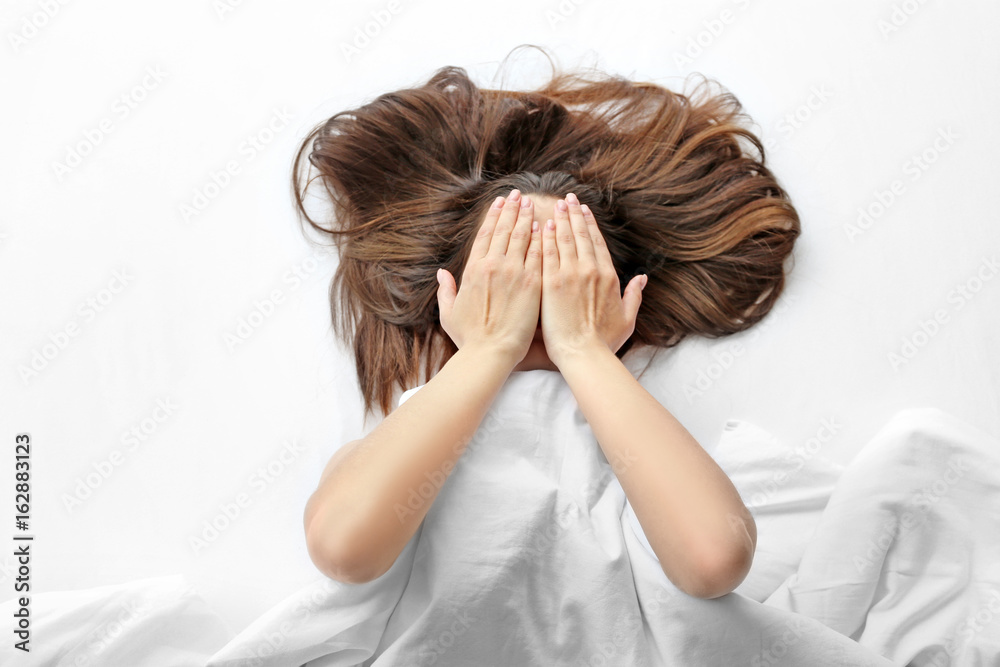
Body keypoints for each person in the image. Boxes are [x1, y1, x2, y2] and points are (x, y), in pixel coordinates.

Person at [296, 49, 800, 611]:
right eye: (506, 271)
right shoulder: (401, 432)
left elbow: (714, 563)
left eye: (567, 272)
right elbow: (344, 551)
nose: (536, 297)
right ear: (450, 300)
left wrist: (584, 351)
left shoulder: (634, 439)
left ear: (621, 305)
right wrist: (488, 349)